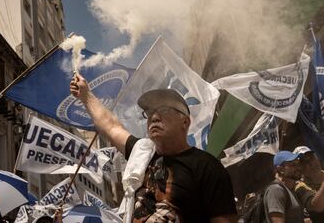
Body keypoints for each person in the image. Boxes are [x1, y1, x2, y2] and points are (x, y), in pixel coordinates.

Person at [70, 73, 237, 223]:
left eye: (164, 110)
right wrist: (86, 96)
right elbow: (110, 126)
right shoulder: (142, 154)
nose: (154, 117)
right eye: (149, 113)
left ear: (185, 122)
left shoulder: (207, 167)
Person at [263, 151, 304, 223]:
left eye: (298, 164)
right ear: (281, 169)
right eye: (293, 165)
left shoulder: (290, 189)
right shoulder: (276, 190)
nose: (298, 167)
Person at [293, 146, 324, 223]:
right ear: (299, 168)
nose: (311, 163)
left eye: (312, 158)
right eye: (304, 162)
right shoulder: (300, 187)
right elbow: (317, 207)